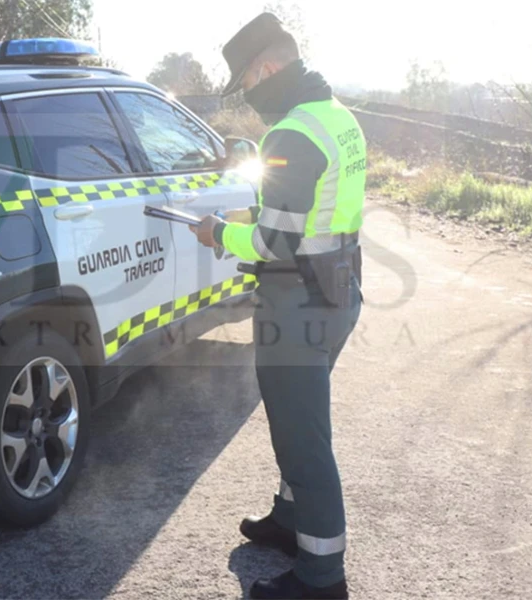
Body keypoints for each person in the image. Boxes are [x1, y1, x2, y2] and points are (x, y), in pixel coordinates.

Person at [191, 13, 365, 600]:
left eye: (246, 84)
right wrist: (246, 221)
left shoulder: (291, 134)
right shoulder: (337, 116)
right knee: (300, 421)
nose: (249, 97)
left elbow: (273, 242)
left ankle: (321, 578)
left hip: (296, 303)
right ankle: (291, 523)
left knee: (302, 437)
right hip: (338, 291)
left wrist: (218, 234)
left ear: (268, 67)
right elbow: (303, 215)